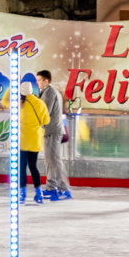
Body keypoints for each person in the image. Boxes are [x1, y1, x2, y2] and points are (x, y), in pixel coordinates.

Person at [35, 70, 71, 201]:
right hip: (50, 131)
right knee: (50, 160)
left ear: (46, 81)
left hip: (52, 131)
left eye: (39, 80)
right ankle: (51, 187)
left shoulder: (49, 93)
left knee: (54, 160)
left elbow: (45, 112)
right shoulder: (47, 92)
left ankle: (64, 188)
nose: (37, 82)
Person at [16, 78, 51, 204]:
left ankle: (22, 194)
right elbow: (46, 121)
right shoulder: (40, 103)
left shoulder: (20, 104)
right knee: (33, 166)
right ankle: (39, 193)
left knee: (22, 167)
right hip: (35, 139)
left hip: (22, 140)